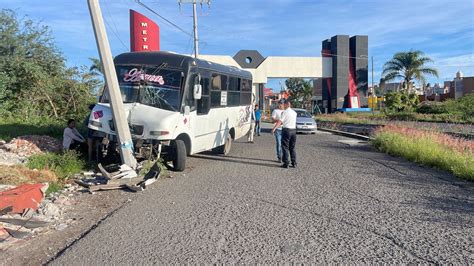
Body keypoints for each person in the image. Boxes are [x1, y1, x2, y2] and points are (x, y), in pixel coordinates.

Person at [271, 99, 297, 168]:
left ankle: (286, 163)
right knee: (292, 147)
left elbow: (280, 121)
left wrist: (274, 128)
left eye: (283, 104)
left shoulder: (285, 112)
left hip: (287, 130)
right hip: (294, 131)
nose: (283, 106)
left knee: (285, 147)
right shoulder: (294, 112)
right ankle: (294, 162)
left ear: (286, 104)